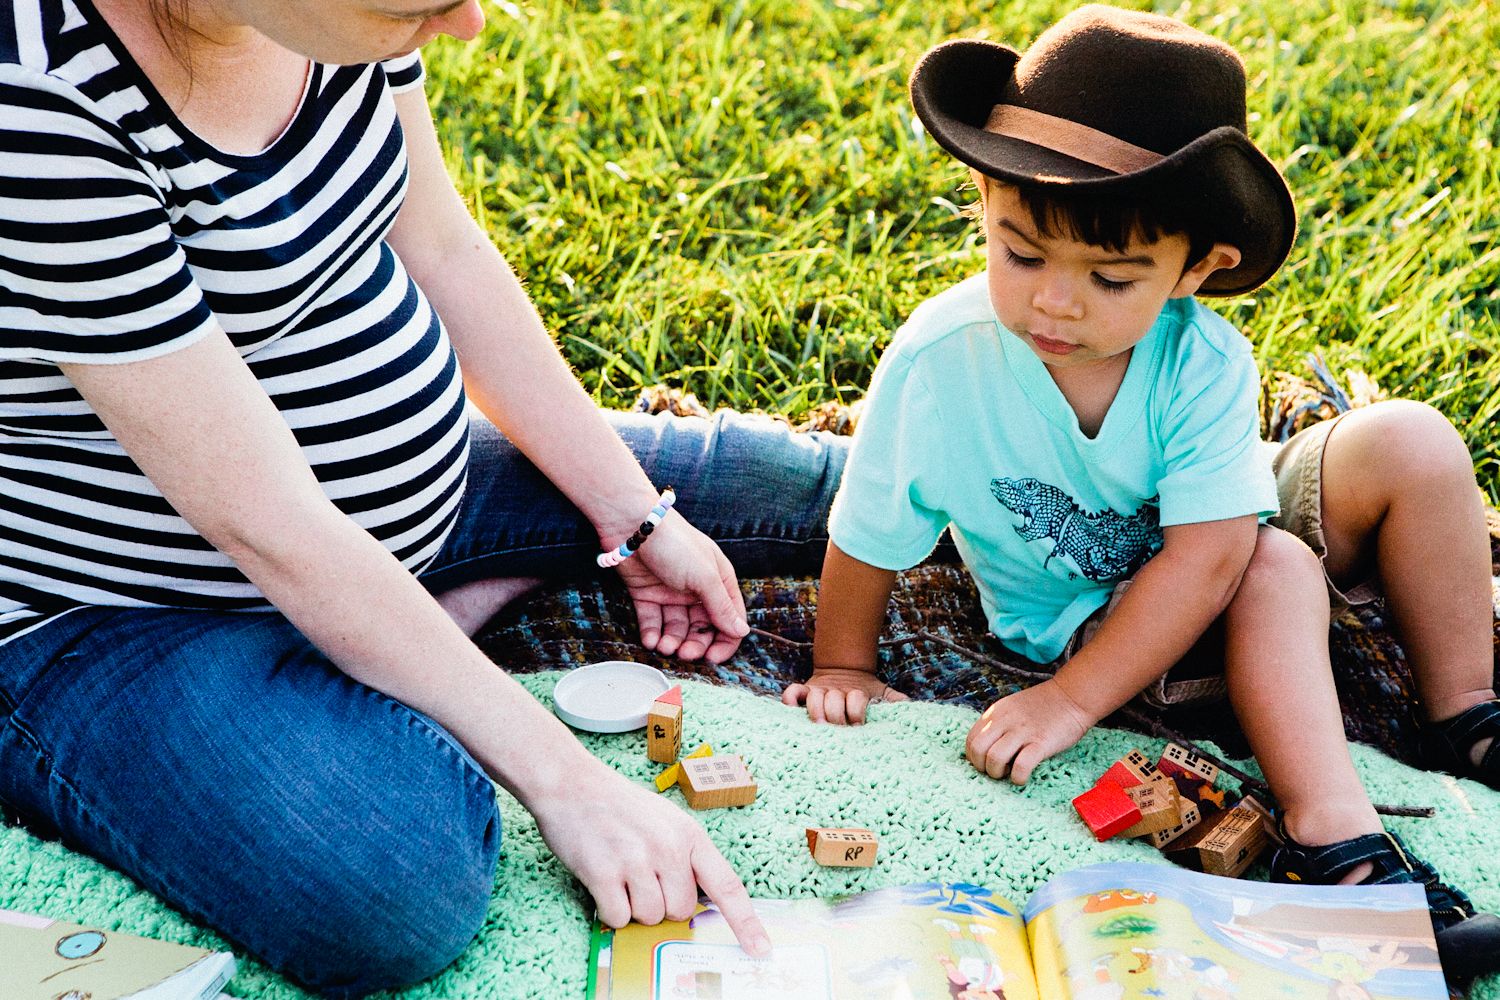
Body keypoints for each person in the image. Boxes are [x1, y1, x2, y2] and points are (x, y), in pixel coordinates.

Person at [0, 0, 846, 994]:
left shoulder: (327, 23)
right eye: (422, 3)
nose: (470, 25)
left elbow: (442, 247)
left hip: (403, 508)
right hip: (124, 613)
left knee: (784, 486)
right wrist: (568, 780)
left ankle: (424, 622)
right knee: (392, 878)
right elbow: (269, 524)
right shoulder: (39, 107)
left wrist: (632, 510)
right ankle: (378, 649)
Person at [780, 4, 1500, 978]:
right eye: (1021, 253)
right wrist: (850, 666)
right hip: (1098, 610)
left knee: (1411, 440)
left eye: (1111, 277)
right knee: (1274, 563)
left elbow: (1210, 538)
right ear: (982, 201)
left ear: (1197, 269)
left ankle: (1467, 711)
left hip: (1207, 537)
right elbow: (867, 527)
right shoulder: (941, 365)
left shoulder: (1202, 358)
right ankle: (1336, 837)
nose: (1055, 300)